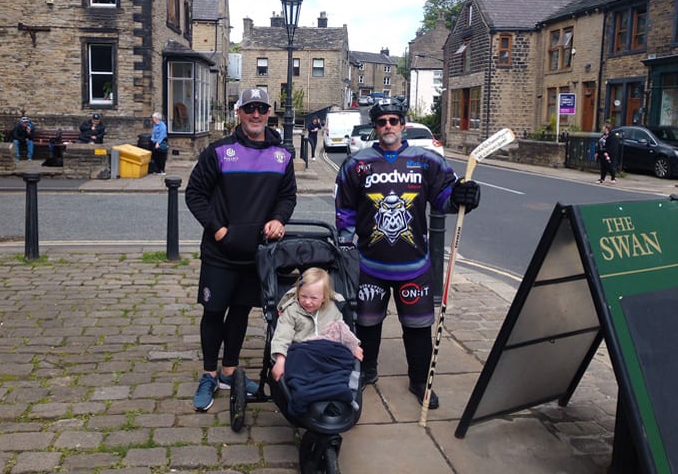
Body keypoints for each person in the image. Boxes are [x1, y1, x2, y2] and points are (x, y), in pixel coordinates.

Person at [334, 98, 481, 410]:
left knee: (418, 328)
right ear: (375, 127)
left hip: (413, 266)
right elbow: (345, 210)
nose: (388, 126)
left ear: (402, 124)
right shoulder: (356, 164)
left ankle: (419, 381)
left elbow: (446, 199)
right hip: (370, 265)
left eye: (393, 120)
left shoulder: (427, 161)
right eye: (382, 122)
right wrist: (345, 251)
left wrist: (464, 197)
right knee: (366, 324)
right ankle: (367, 371)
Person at [185, 87, 298, 412]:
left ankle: (229, 371)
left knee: (240, 312)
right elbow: (194, 194)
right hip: (220, 253)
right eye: (250, 108)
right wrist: (219, 230)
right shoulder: (219, 151)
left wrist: (278, 219)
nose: (256, 114)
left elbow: (287, 196)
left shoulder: (282, 155)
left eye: (261, 108)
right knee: (213, 312)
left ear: (269, 113)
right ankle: (209, 374)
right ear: (240, 113)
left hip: (257, 255)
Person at [270, 267, 363, 382]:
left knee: (344, 362)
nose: (307, 301)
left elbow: (341, 330)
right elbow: (282, 335)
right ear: (298, 292)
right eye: (303, 296)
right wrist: (280, 359)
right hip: (303, 353)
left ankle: (338, 384)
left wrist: (353, 345)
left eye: (313, 298)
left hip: (327, 354)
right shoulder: (292, 311)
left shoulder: (332, 309)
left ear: (324, 297)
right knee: (297, 366)